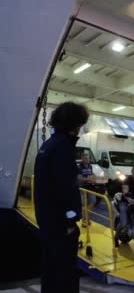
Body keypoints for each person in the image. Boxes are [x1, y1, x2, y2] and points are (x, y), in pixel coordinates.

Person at [34, 102, 89, 293]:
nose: (80, 128)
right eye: (80, 124)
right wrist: (70, 222)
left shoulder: (48, 146)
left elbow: (49, 185)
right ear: (74, 124)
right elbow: (65, 190)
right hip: (61, 225)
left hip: (46, 220)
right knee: (65, 272)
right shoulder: (63, 148)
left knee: (50, 269)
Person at [77, 153, 96, 227]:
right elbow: (79, 178)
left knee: (93, 201)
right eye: (85, 158)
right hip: (82, 188)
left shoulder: (90, 166)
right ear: (82, 159)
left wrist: (93, 179)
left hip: (90, 187)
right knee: (83, 203)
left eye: (88, 158)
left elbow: (91, 175)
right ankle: (84, 220)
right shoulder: (79, 167)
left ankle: (85, 216)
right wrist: (87, 179)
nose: (87, 160)